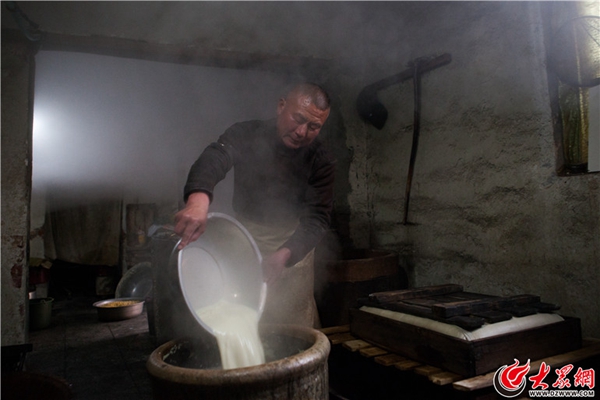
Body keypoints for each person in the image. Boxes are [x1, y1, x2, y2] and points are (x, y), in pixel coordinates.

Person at [174, 83, 335, 328]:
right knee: (243, 314)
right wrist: (198, 201)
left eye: (313, 127)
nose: (302, 132)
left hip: (294, 246)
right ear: (281, 106)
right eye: (298, 119)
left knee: (294, 324)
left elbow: (318, 219)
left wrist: (285, 254)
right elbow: (216, 156)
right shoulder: (246, 133)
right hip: (245, 240)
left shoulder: (321, 159)